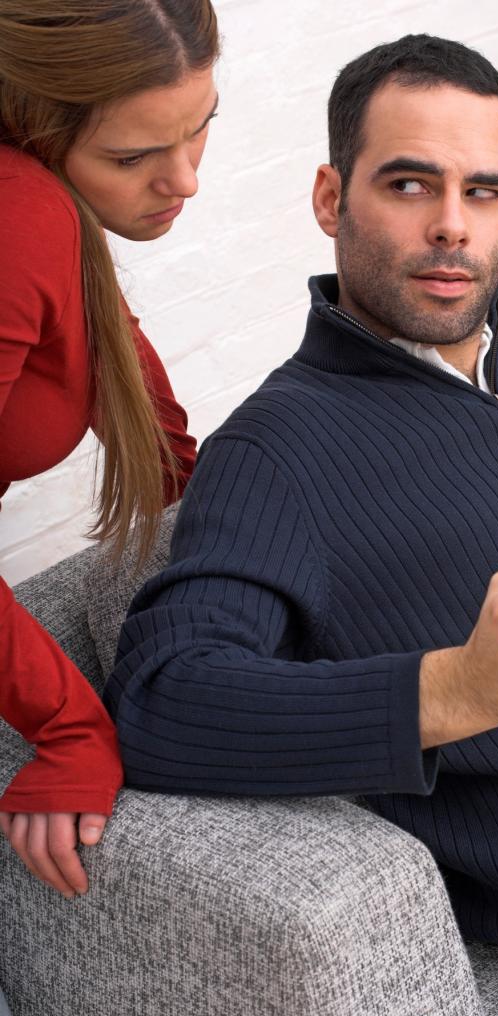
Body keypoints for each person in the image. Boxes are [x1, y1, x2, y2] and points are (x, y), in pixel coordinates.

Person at [106, 33, 498, 1016]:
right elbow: (162, 700)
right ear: (331, 198)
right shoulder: (277, 449)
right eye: (410, 185)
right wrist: (456, 689)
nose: (452, 225)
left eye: (483, 191)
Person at [0, 0, 219, 909]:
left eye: (200, 127)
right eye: (132, 158)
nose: (184, 179)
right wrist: (70, 727)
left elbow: (132, 388)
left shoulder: (45, 211)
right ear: (32, 127)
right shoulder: (19, 214)